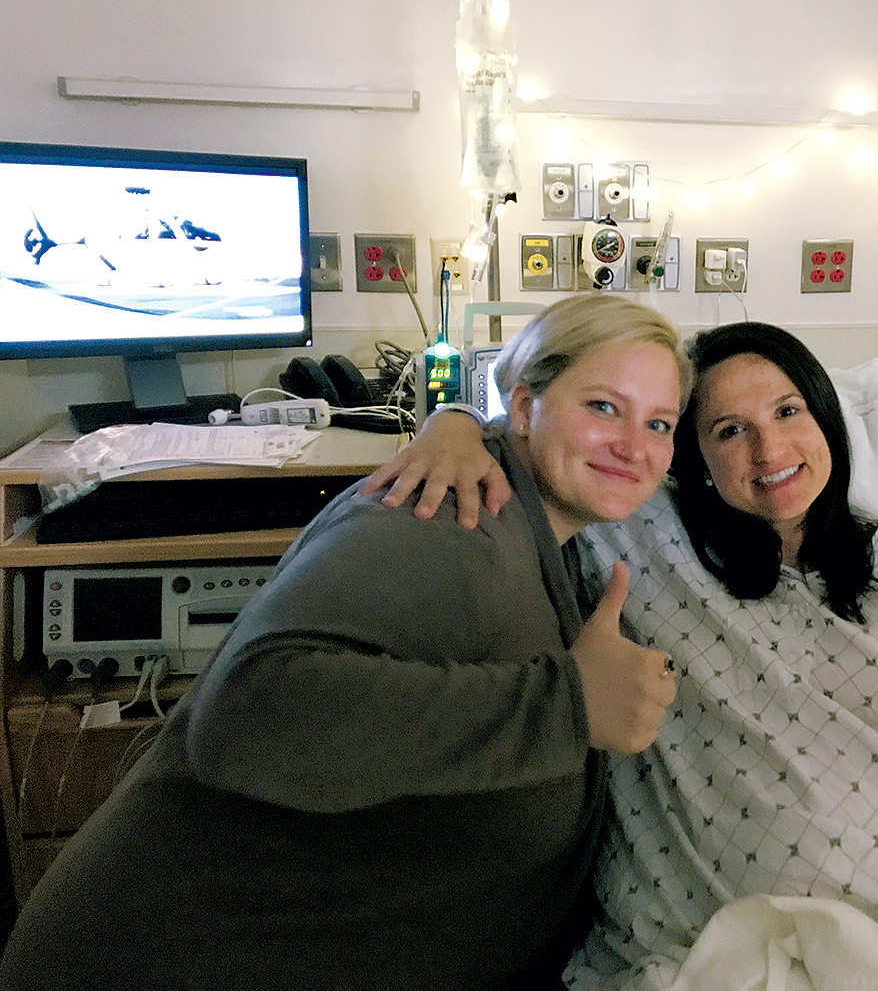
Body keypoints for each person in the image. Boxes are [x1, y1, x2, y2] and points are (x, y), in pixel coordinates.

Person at [0, 294, 693, 991]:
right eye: (603, 406)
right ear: (522, 407)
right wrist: (566, 704)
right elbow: (251, 712)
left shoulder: (553, 522)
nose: (635, 446)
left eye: (658, 422)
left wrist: (449, 418)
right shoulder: (445, 518)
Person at [363, 322, 878, 986]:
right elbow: (539, 442)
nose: (769, 451)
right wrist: (451, 425)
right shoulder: (642, 534)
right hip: (714, 955)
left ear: (825, 415)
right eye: (730, 430)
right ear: (694, 458)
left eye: (789, 411)